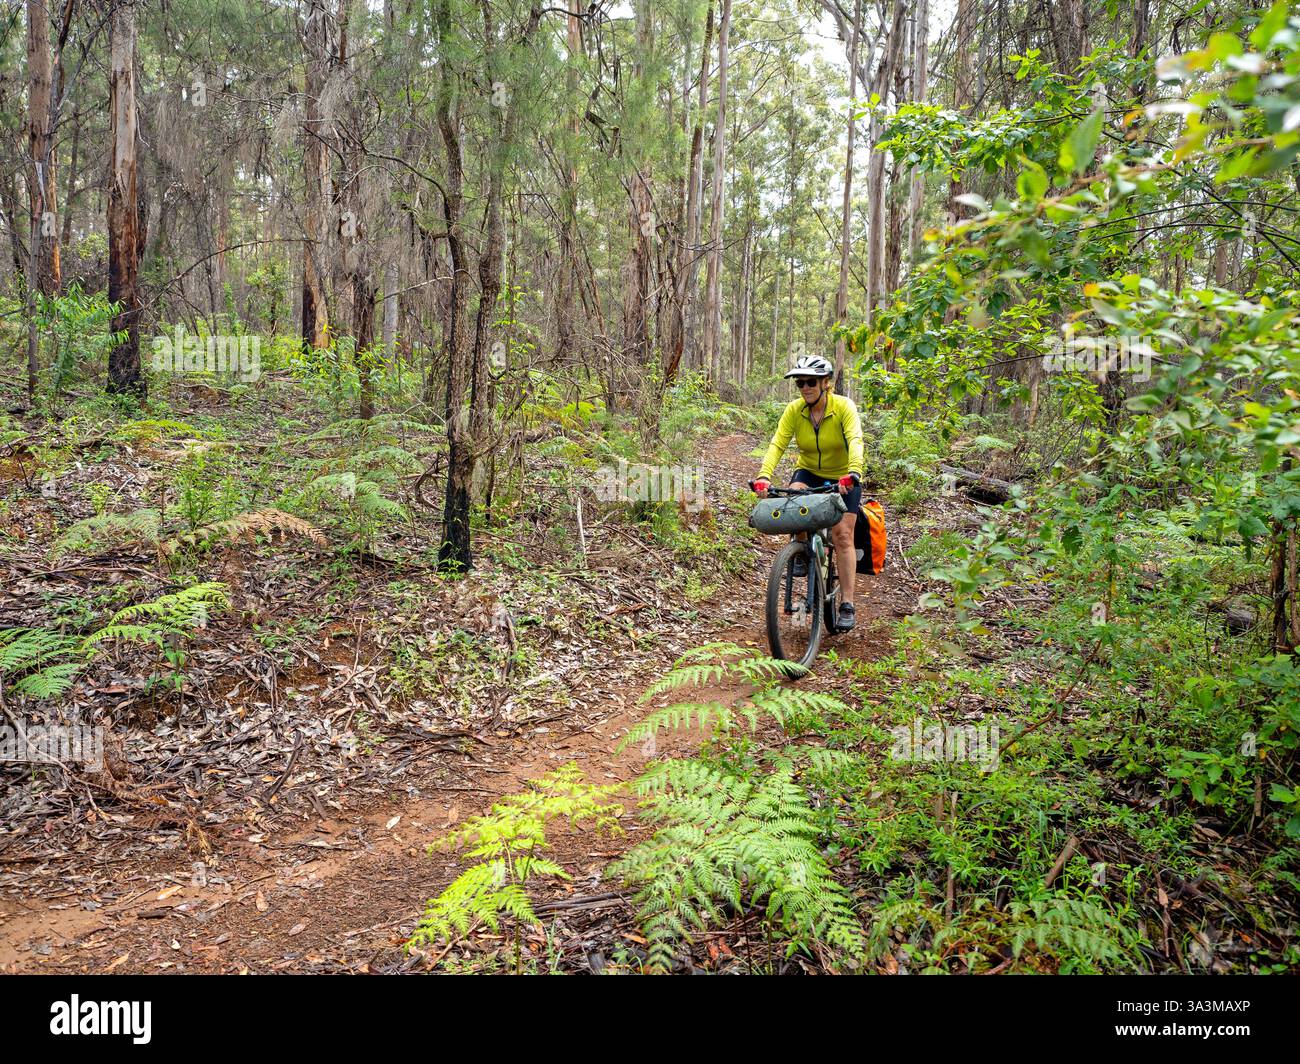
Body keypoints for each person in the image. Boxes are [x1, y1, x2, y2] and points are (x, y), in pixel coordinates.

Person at [751, 354, 864, 632]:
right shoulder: (794, 410)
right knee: (794, 500)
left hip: (843, 475)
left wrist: (853, 473)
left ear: (825, 383)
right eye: (800, 383)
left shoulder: (843, 407)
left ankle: (847, 603)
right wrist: (764, 476)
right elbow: (778, 443)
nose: (805, 388)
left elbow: (855, 439)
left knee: (842, 535)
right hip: (809, 472)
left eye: (810, 382)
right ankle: (801, 551)